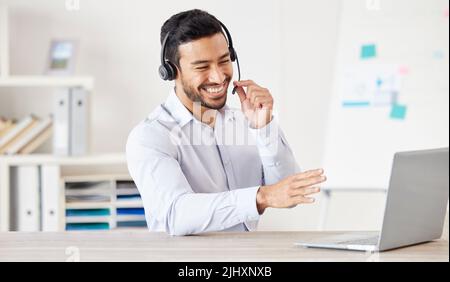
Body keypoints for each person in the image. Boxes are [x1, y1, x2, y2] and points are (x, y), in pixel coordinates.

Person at [126, 9, 326, 236]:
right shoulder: (151, 136)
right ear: (171, 71)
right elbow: (175, 214)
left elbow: (289, 196)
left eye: (224, 61)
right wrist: (260, 197)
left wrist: (264, 128)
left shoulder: (243, 122)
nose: (219, 77)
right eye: (202, 67)